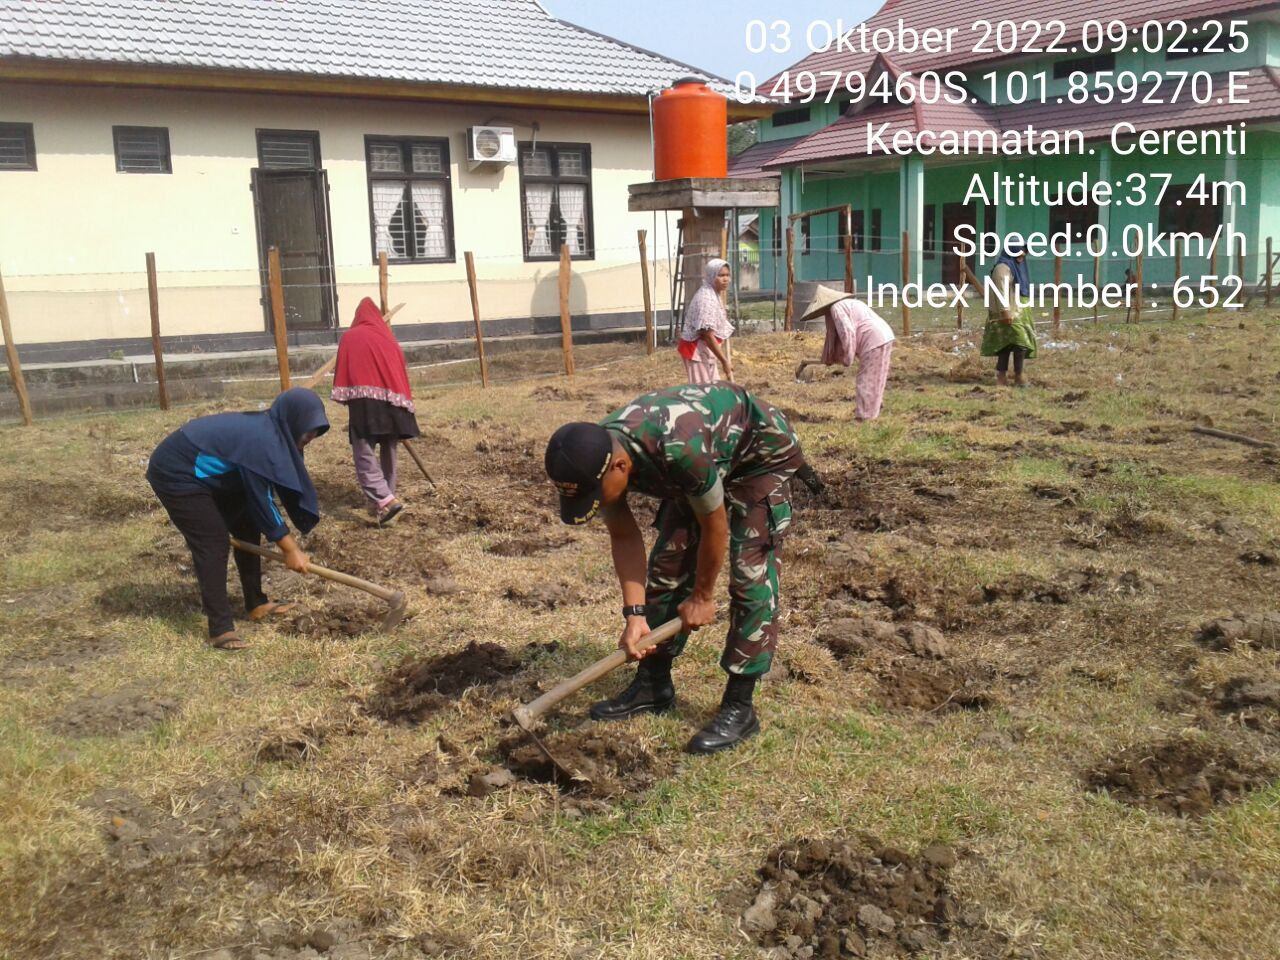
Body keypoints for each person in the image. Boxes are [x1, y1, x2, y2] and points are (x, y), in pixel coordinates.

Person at [544, 383, 810, 754]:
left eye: (595, 495)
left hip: (760, 456)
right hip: (701, 458)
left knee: (751, 575)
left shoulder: (676, 448)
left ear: (621, 467)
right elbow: (623, 536)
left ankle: (739, 706)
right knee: (668, 563)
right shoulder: (593, 456)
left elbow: (714, 524)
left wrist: (702, 596)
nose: (596, 502)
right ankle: (653, 686)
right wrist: (635, 616)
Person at [146, 389, 329, 650]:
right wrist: (290, 549)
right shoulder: (263, 441)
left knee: (247, 524)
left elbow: (262, 500)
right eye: (308, 428)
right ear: (293, 420)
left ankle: (256, 603)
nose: (312, 436)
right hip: (177, 471)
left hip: (219, 475)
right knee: (213, 541)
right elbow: (262, 500)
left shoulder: (276, 433)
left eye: (317, 430)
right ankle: (220, 629)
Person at [331, 297, 420, 526]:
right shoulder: (389, 340)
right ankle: (387, 501)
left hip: (364, 404)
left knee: (364, 452)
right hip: (393, 403)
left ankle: (384, 499)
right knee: (389, 451)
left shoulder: (350, 337)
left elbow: (345, 367)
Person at [798, 286, 896, 421]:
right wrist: (830, 357)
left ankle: (864, 418)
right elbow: (835, 336)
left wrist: (848, 357)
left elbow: (846, 332)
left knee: (866, 379)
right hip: (884, 335)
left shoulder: (836, 308)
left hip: (872, 339)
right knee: (876, 377)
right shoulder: (846, 305)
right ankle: (874, 408)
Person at [981, 239, 1038, 386]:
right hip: (1007, 312)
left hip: (1019, 312)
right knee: (1009, 344)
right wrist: (1004, 311)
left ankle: (1016, 375)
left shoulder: (1018, 266)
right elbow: (1001, 291)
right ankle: (1005, 376)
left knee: (1019, 344)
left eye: (1023, 253)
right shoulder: (1002, 268)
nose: (1022, 257)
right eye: (1019, 252)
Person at [676, 258, 735, 384]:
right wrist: (724, 361)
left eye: (727, 275)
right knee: (703, 392)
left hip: (705, 351)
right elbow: (707, 335)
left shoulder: (714, 293)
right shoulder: (706, 299)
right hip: (696, 350)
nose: (726, 279)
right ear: (711, 276)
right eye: (721, 275)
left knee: (712, 389)